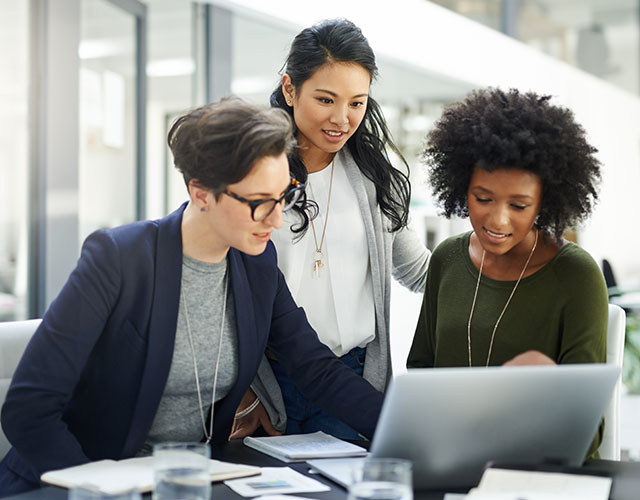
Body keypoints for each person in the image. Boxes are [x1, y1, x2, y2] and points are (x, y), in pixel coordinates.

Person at [0, 97, 384, 495]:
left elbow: (315, 368)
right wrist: (102, 491)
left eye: (284, 196)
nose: (276, 219)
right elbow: (29, 409)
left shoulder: (257, 263)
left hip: (190, 483)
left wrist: (399, 430)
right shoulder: (119, 258)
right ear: (201, 193)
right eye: (259, 203)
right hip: (82, 483)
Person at [230, 19, 430, 440]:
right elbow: (221, 288)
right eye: (325, 99)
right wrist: (245, 391)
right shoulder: (251, 174)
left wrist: (501, 257)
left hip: (352, 379)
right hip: (269, 382)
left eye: (357, 103)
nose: (342, 119)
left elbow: (419, 271)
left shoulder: (376, 179)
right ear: (289, 89)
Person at [406, 87, 607, 457]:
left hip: (537, 472)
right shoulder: (447, 259)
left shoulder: (576, 276)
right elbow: (420, 373)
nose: (497, 220)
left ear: (544, 203)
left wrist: (547, 386)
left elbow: (587, 431)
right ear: (460, 187)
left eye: (519, 205)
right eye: (482, 198)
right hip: (450, 458)